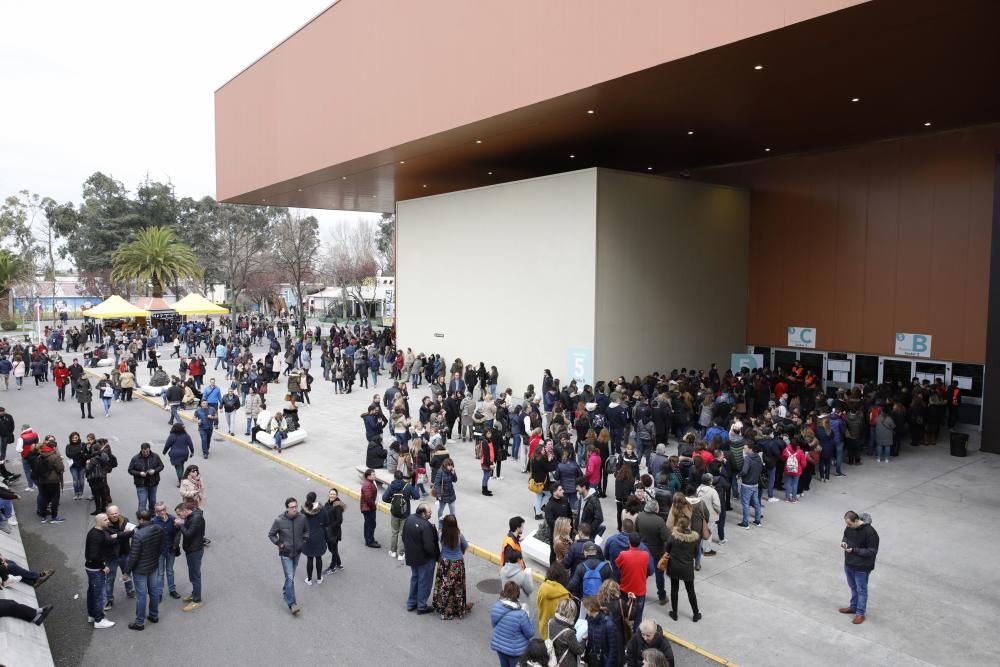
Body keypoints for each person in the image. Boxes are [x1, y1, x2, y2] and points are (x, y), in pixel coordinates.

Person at [123, 510, 164, 630]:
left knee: (141, 596)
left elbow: (133, 556)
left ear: (140, 519)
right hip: (153, 565)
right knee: (154, 592)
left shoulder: (138, 535)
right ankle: (154, 615)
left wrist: (127, 572)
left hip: (140, 569)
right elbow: (161, 547)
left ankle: (140, 622)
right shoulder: (158, 528)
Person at [268, 496, 308, 615]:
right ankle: (292, 604)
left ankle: (286, 591)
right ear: (287, 508)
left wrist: (304, 541)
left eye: (296, 506)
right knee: (290, 577)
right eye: (292, 507)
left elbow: (306, 531)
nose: (295, 509)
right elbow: (271, 534)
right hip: (285, 553)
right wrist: (279, 544)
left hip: (297, 552)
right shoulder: (279, 520)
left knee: (290, 576)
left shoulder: (302, 518)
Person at [840, 510, 880, 625]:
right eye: (846, 524)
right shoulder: (849, 528)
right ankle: (853, 607)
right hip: (849, 563)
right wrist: (844, 543)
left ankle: (860, 614)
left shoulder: (870, 532)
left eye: (849, 524)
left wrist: (854, 550)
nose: (847, 526)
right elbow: (845, 537)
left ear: (857, 520)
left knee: (861, 590)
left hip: (862, 567)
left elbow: (872, 551)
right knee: (853, 587)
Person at [433, 514, 473, 619]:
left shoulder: (441, 535)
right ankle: (458, 608)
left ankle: (444, 608)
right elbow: (465, 546)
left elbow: (439, 530)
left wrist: (441, 522)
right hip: (457, 563)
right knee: (457, 586)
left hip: (445, 563)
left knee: (445, 586)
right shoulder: (459, 535)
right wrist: (460, 553)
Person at [402, 502, 439, 614]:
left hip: (412, 557)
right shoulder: (426, 525)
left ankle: (411, 603)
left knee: (415, 579)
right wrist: (435, 556)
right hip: (425, 560)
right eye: (429, 513)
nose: (431, 514)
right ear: (423, 513)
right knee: (425, 582)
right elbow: (429, 546)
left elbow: (403, 536)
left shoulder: (409, 519)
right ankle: (421, 606)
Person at [84, 513, 119, 628]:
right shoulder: (97, 536)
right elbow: (93, 555)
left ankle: (92, 615)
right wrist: (103, 566)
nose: (108, 521)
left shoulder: (95, 532)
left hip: (91, 568)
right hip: (95, 569)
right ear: (98, 522)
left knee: (92, 593)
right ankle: (99, 620)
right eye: (105, 520)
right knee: (99, 595)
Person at [664, 516, 701, 622]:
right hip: (687, 568)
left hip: (674, 566)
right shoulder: (694, 539)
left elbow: (667, 549)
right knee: (690, 590)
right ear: (688, 525)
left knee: (674, 589)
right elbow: (696, 554)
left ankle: (674, 613)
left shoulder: (673, 537)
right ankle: (695, 613)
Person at [491, 581, 535, 667]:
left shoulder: (496, 606)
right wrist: (529, 618)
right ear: (517, 594)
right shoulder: (521, 614)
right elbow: (530, 633)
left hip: (500, 647)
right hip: (515, 652)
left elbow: (494, 625)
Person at [616, 532, 653, 631]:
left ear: (629, 542)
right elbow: (649, 569)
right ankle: (635, 634)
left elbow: (618, 565)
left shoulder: (623, 555)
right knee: (638, 615)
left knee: (623, 613)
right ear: (640, 543)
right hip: (640, 591)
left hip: (625, 590)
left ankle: (623, 632)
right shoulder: (645, 555)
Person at [635, 497, 669, 605]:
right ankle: (662, 596)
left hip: (642, 550)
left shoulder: (639, 516)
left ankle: (639, 593)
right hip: (657, 552)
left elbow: (636, 531)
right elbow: (665, 537)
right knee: (659, 574)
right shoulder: (659, 521)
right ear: (655, 509)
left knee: (642, 574)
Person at [175, 501, 205, 612]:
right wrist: (183, 522)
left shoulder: (196, 519)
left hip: (195, 550)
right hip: (191, 549)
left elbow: (188, 534)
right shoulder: (191, 516)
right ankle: (194, 593)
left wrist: (181, 524)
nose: (179, 516)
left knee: (195, 575)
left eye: (179, 514)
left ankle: (197, 600)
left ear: (185, 510)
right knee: (192, 574)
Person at [383, 470, 420, 561]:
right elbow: (417, 496)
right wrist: (414, 486)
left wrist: (392, 501)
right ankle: (401, 554)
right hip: (405, 513)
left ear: (394, 477)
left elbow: (384, 498)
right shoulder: (407, 486)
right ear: (402, 477)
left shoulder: (391, 486)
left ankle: (393, 551)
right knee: (402, 534)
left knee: (394, 532)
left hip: (394, 513)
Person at [104, 505, 136, 609]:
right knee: (110, 579)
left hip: (125, 553)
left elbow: (131, 533)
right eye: (112, 514)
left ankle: (130, 591)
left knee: (127, 574)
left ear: (119, 512)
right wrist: (123, 534)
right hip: (111, 557)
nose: (114, 515)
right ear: (108, 515)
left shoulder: (125, 520)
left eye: (116, 513)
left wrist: (117, 535)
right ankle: (109, 599)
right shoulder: (105, 524)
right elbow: (108, 540)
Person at [152, 501, 181, 600]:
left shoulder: (173, 519)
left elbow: (178, 533)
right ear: (156, 512)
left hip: (170, 550)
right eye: (159, 511)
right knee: (160, 573)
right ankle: (159, 592)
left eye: (163, 510)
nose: (162, 512)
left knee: (170, 571)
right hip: (159, 552)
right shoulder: (154, 522)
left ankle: (172, 590)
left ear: (166, 509)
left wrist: (175, 544)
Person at [536, 561, 571, 639]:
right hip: (557, 634)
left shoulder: (543, 587)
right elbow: (566, 617)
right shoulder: (565, 595)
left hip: (543, 627)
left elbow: (538, 605)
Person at [34, 435, 65, 523]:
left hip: (43, 480)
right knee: (55, 498)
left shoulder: (40, 456)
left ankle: (43, 517)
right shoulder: (54, 456)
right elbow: (60, 468)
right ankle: (54, 517)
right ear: (54, 447)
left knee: (44, 497)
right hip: (53, 480)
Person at [547, 598, 586, 666]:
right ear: (572, 612)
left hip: (553, 659)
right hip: (566, 663)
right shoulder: (569, 633)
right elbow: (579, 650)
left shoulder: (551, 622)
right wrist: (584, 640)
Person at [584, 594, 620, 667]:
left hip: (604, 662)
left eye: (585, 607)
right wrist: (586, 658)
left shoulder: (609, 624)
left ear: (590, 608)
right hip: (594, 660)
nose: (584, 609)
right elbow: (590, 643)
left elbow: (613, 650)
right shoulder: (590, 620)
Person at [128, 442, 163, 515]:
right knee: (142, 501)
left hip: (153, 483)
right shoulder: (135, 458)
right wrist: (139, 473)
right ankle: (141, 518)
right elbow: (130, 470)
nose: (146, 453)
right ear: (141, 450)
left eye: (147, 451)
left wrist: (154, 471)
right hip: (141, 484)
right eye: (144, 452)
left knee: (152, 501)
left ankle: (152, 514)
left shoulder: (155, 456)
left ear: (149, 449)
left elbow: (161, 466)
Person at [301, 492, 328, 585]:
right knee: (318, 557)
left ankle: (309, 579)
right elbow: (326, 521)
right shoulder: (321, 509)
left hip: (308, 536)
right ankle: (319, 578)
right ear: (315, 498)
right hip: (319, 536)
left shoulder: (303, 509)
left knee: (310, 558)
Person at [737, 443, 763, 529]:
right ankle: (757, 521)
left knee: (745, 504)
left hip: (746, 485)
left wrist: (738, 475)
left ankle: (745, 523)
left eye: (745, 448)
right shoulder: (758, 457)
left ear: (750, 449)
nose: (744, 449)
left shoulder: (748, 458)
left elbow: (744, 471)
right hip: (755, 484)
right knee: (756, 503)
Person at [321, 488, 346, 575]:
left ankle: (332, 567)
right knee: (332, 549)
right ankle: (338, 563)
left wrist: (330, 527)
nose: (332, 495)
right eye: (331, 494)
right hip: (327, 531)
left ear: (336, 495)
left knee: (333, 549)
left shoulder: (337, 506)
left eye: (334, 494)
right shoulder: (327, 504)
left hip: (334, 532)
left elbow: (339, 520)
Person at [434, 458, 458, 527]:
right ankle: (440, 522)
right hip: (443, 495)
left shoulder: (451, 471)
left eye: (452, 465)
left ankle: (452, 523)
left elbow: (455, 480)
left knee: (452, 510)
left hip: (451, 494)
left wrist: (454, 474)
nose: (451, 467)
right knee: (441, 510)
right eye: (449, 465)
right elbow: (437, 484)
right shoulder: (440, 472)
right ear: (445, 465)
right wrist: (438, 494)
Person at [360, 468, 380, 548]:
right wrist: (373, 507)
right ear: (368, 476)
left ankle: (370, 539)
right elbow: (368, 499)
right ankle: (369, 542)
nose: (375, 476)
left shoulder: (370, 482)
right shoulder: (367, 485)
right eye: (373, 474)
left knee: (369, 524)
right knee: (370, 524)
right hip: (368, 509)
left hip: (368, 508)